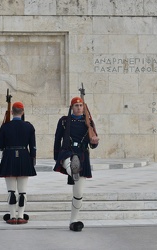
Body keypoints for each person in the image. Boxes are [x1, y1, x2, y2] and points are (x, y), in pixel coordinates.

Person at [53, 97, 99, 232]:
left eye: (81, 105)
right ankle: (72, 168)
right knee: (70, 163)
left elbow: (93, 143)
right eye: (76, 105)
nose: (79, 108)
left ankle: (73, 221)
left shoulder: (89, 122)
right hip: (67, 152)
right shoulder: (64, 121)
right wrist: (57, 156)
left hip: (82, 154)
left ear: (84, 107)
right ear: (71, 107)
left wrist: (95, 142)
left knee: (79, 193)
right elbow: (57, 139)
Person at [0, 101, 37, 225]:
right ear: (23, 112)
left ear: (12, 112)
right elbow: (33, 146)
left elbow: (0, 145)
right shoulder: (29, 126)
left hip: (9, 157)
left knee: (11, 191)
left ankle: (12, 216)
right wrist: (32, 159)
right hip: (24, 157)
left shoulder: (5, 126)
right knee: (22, 191)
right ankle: (21, 216)